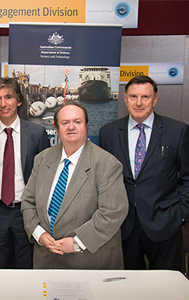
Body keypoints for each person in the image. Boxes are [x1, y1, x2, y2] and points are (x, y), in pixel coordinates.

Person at [21, 101, 128, 269]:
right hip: (46, 259)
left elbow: (112, 213)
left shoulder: (107, 163)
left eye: (77, 122)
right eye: (65, 123)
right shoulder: (42, 159)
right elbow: (28, 201)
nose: (71, 127)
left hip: (87, 260)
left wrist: (78, 242)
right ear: (57, 128)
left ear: (86, 125)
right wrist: (38, 233)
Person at [99, 75, 189, 271]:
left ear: (155, 99)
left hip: (165, 223)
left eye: (145, 97)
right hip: (123, 226)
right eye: (133, 97)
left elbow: (187, 177)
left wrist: (181, 213)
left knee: (167, 287)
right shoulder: (109, 132)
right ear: (125, 99)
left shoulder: (177, 131)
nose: (138, 103)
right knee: (127, 288)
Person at [0, 77, 50, 269]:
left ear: (18, 100)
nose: (3, 103)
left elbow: (46, 177)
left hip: (27, 212)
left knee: (26, 267)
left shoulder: (36, 133)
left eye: (8, 97)